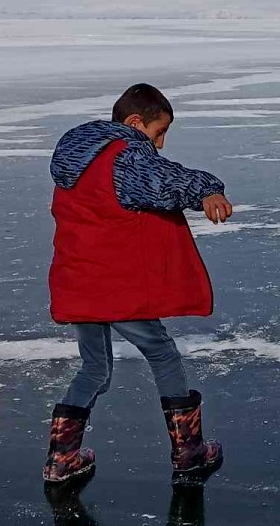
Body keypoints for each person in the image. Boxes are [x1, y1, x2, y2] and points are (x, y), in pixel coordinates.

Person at [43, 83, 233, 484]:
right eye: (158, 132)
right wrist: (209, 189)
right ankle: (189, 451)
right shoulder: (125, 157)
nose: (160, 144)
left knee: (94, 369)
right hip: (115, 286)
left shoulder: (78, 158)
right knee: (162, 352)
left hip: (79, 282)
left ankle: (61, 459)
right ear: (134, 123)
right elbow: (166, 180)